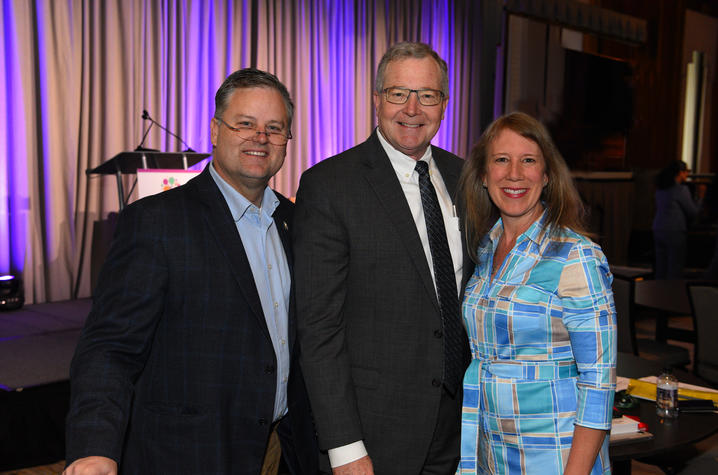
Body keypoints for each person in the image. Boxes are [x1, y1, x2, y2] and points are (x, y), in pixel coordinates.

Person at [64, 69, 318, 475]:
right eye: (245, 124)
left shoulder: (298, 222)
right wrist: (95, 448)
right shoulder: (156, 221)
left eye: (275, 128)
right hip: (189, 454)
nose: (261, 137)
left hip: (282, 451)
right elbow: (110, 348)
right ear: (216, 130)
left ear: (287, 141)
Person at [293, 42, 471, 474]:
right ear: (376, 100)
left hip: (462, 425)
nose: (412, 108)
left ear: (444, 106)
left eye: (427, 95)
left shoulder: (467, 177)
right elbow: (319, 328)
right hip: (375, 436)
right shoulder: (330, 185)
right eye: (398, 93)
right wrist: (345, 446)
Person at [457, 112, 616, 474]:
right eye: (501, 160)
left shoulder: (577, 257)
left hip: (555, 457)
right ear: (483, 175)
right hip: (492, 455)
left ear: (546, 175)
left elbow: (598, 385)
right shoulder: (485, 249)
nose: (514, 173)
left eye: (528, 160)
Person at [652, 160, 700, 279]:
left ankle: (658, 293)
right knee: (675, 268)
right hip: (675, 230)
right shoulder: (681, 190)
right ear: (680, 173)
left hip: (658, 228)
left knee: (661, 268)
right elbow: (693, 211)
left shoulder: (661, 188)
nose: (687, 175)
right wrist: (701, 199)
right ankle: (673, 295)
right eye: (686, 172)